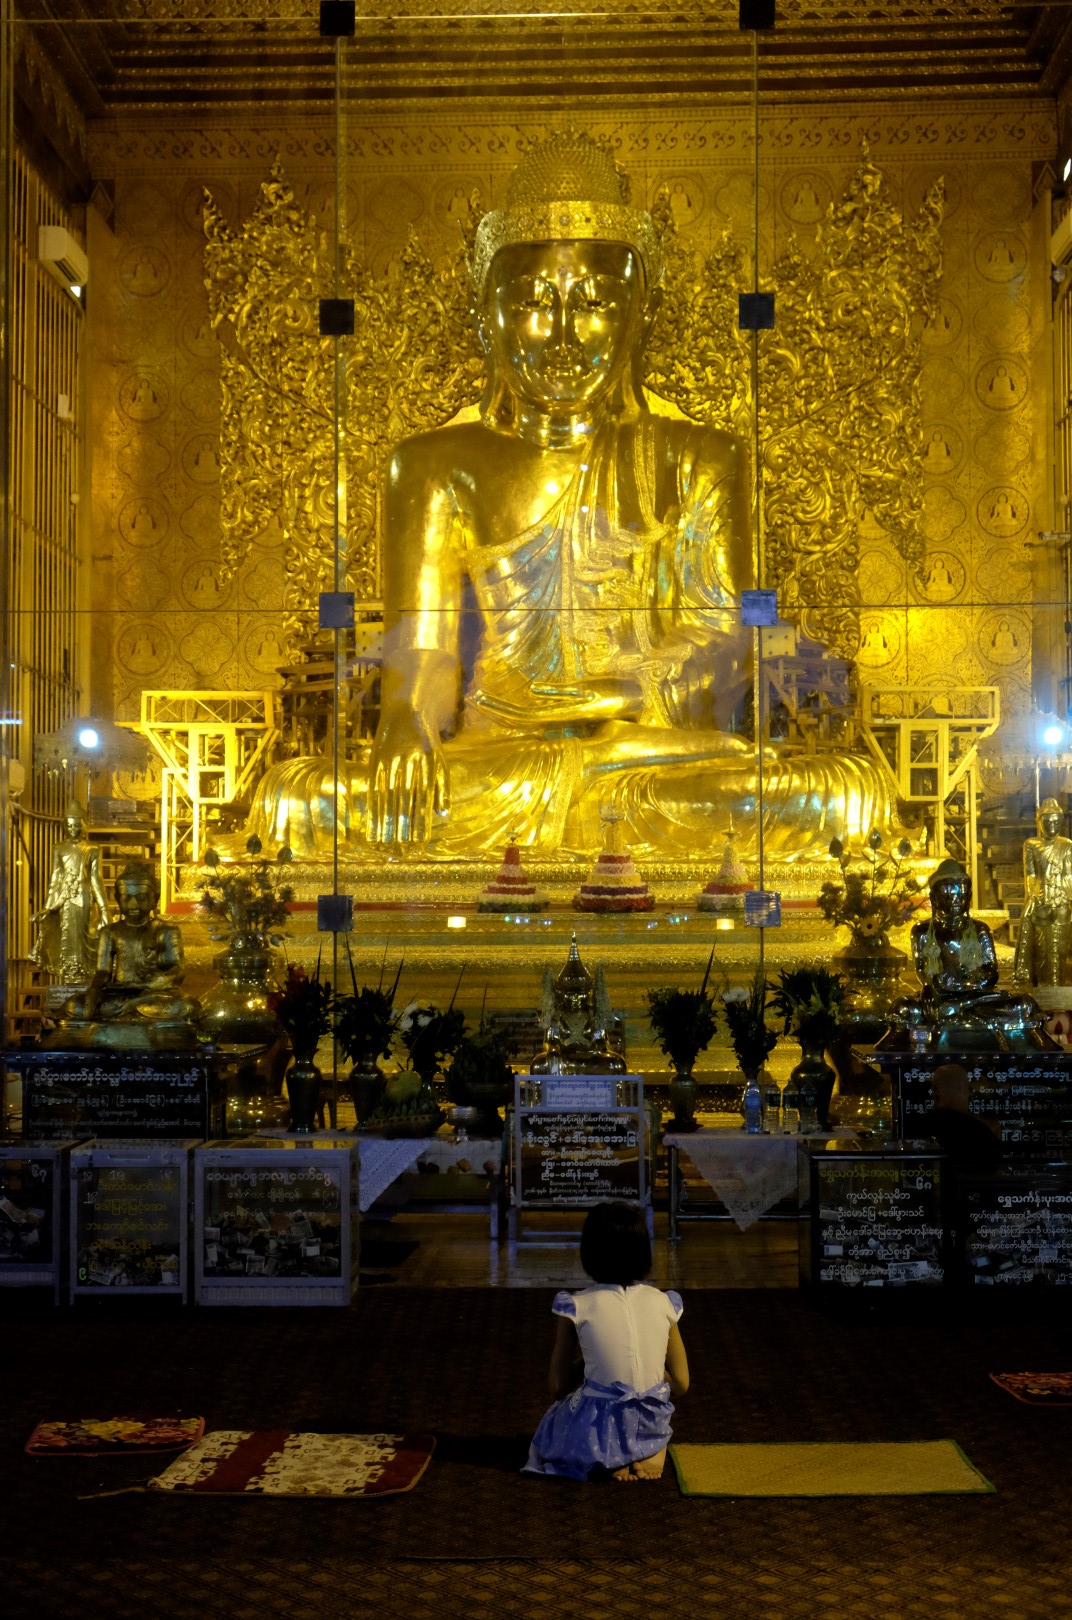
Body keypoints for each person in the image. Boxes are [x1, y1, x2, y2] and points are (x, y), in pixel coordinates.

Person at [241, 130, 897, 862]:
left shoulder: (702, 457)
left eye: (594, 302)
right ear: (486, 317)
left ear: (638, 315)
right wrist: (404, 727)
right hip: (498, 759)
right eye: (532, 301)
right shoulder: (430, 465)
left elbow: (729, 640)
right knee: (299, 797)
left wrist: (620, 699)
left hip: (645, 754)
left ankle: (583, 810)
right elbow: (423, 650)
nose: (562, 333)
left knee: (842, 793)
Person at [523, 1201, 688, 1483]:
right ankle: (649, 1446)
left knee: (555, 1420)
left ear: (589, 1252)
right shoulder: (664, 1302)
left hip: (598, 1430)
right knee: (651, 1397)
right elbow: (682, 1384)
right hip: (651, 1421)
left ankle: (608, 1455)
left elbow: (558, 1387)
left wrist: (591, 1360)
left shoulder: (576, 1305)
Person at [880, 858, 1051, 1053]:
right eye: (947, 895)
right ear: (934, 897)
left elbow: (991, 972)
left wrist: (970, 985)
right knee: (905, 1008)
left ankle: (960, 1009)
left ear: (969, 896)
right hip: (941, 997)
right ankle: (960, 1012)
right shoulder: (922, 931)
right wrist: (931, 987)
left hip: (976, 996)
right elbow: (922, 970)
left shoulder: (980, 929)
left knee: (1024, 1004)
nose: (955, 901)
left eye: (961, 896)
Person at [51, 860, 202, 1050]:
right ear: (117, 898)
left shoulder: (166, 930)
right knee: (75, 1005)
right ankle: (129, 1012)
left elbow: (177, 971)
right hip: (118, 995)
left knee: (186, 1005)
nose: (133, 904)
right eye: (126, 897)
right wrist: (94, 991)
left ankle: (129, 1013)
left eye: (141, 898)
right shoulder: (110, 932)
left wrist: (146, 985)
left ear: (155, 899)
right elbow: (103, 971)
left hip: (153, 995)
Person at [29, 799, 110, 982]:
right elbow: (55, 880)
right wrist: (48, 907)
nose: (73, 830)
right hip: (64, 899)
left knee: (85, 936)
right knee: (66, 934)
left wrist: (104, 909)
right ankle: (69, 975)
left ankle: (83, 973)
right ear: (65, 827)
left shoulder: (92, 848)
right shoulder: (58, 848)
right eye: (70, 826)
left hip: (85, 897)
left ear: (83, 826)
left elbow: (96, 880)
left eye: (77, 826)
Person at [1013, 797, 1072, 988]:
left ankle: (1059, 990)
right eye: (1048, 822)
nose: (1052, 826)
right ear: (1039, 822)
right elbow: (1030, 874)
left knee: (1060, 951)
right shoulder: (1031, 844)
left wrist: (1064, 893)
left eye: (1056, 822)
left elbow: (1069, 875)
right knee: (1041, 950)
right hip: (1041, 902)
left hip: (1061, 902)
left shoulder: (1067, 845)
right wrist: (1033, 895)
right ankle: (1042, 991)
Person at [918, 1063, 1002, 1171]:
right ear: (961, 1088)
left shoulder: (919, 1127)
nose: (971, 1093)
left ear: (935, 1091)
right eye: (969, 1088)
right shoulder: (982, 1133)